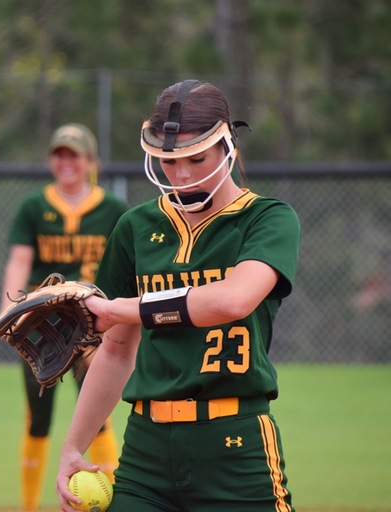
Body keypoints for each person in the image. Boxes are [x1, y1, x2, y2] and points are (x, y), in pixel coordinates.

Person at [55, 80, 301, 512]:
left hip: (235, 445)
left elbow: (232, 301)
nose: (182, 173)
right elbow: (115, 354)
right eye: (168, 160)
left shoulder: (268, 219)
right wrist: (73, 446)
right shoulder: (136, 226)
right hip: (145, 452)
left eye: (196, 158)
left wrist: (122, 308)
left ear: (227, 146)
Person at [0, 123, 128, 511]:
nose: (66, 161)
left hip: (94, 327)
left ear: (90, 161)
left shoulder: (113, 210)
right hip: (41, 329)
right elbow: (19, 262)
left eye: (74, 154)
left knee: (99, 418)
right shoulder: (34, 207)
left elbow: (125, 268)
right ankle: (29, 506)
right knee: (37, 419)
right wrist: (6, 311)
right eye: (59, 154)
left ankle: (117, 501)